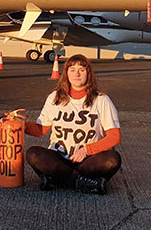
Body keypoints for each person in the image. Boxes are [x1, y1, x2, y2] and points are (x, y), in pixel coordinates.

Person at [24, 54, 121, 194]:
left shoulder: (101, 100)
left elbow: (114, 137)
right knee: (33, 154)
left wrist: (87, 150)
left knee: (112, 159)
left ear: (88, 73)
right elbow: (40, 130)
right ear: (66, 74)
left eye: (81, 70)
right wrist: (21, 125)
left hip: (88, 160)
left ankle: (57, 180)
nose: (76, 74)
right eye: (72, 69)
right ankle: (83, 182)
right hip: (60, 158)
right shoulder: (55, 97)